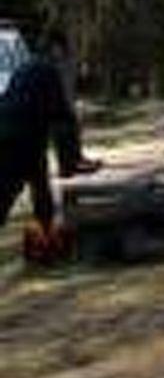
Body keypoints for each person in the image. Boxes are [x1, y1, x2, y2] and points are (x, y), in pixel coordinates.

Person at [1, 27, 102, 257]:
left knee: (33, 187)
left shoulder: (25, 67)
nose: (63, 57)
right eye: (63, 51)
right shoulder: (47, 70)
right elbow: (62, 117)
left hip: (13, 134)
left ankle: (44, 240)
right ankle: (45, 240)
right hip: (22, 138)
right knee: (24, 188)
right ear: (55, 48)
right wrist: (72, 162)